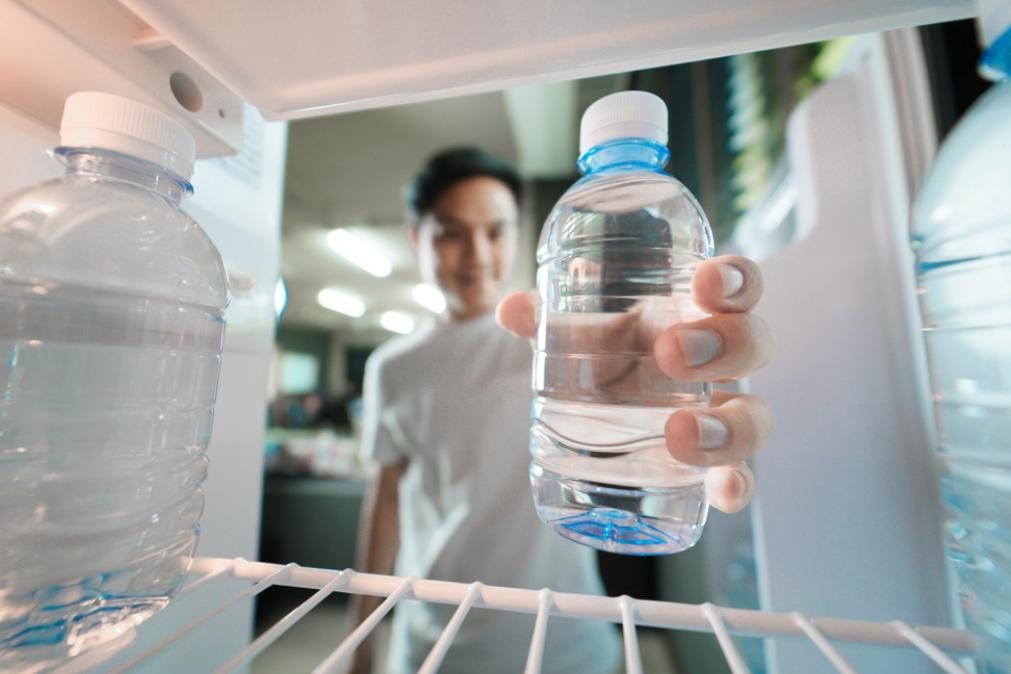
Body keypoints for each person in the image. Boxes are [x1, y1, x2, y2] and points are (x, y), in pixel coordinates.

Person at [349, 148, 773, 674]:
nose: (478, 253)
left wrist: (688, 362)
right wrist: (360, 632)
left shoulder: (553, 337)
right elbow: (386, 497)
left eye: (496, 231)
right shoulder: (392, 367)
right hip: (433, 639)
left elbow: (626, 340)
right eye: (453, 232)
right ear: (418, 239)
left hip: (565, 640)